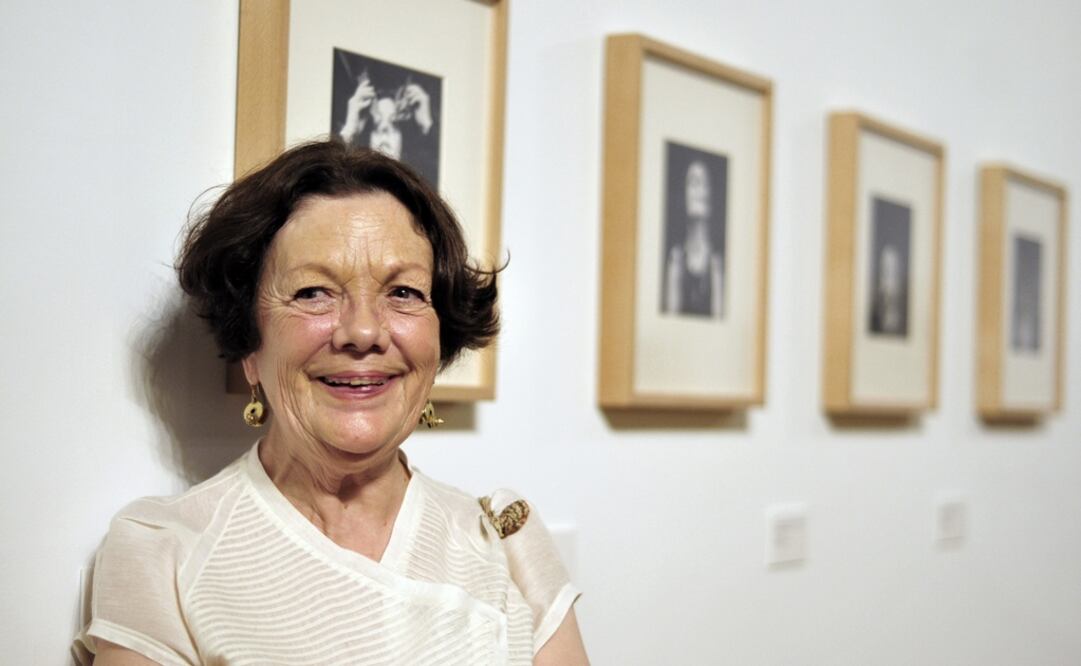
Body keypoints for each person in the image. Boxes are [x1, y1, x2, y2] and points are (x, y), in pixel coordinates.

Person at [73, 141, 587, 665]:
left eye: (404, 293)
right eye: (314, 291)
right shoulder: (164, 553)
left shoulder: (505, 538)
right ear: (250, 344)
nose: (362, 331)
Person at [663, 160, 723, 317]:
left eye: (705, 183)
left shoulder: (716, 261)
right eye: (694, 183)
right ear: (683, 193)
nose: (701, 190)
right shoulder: (676, 258)